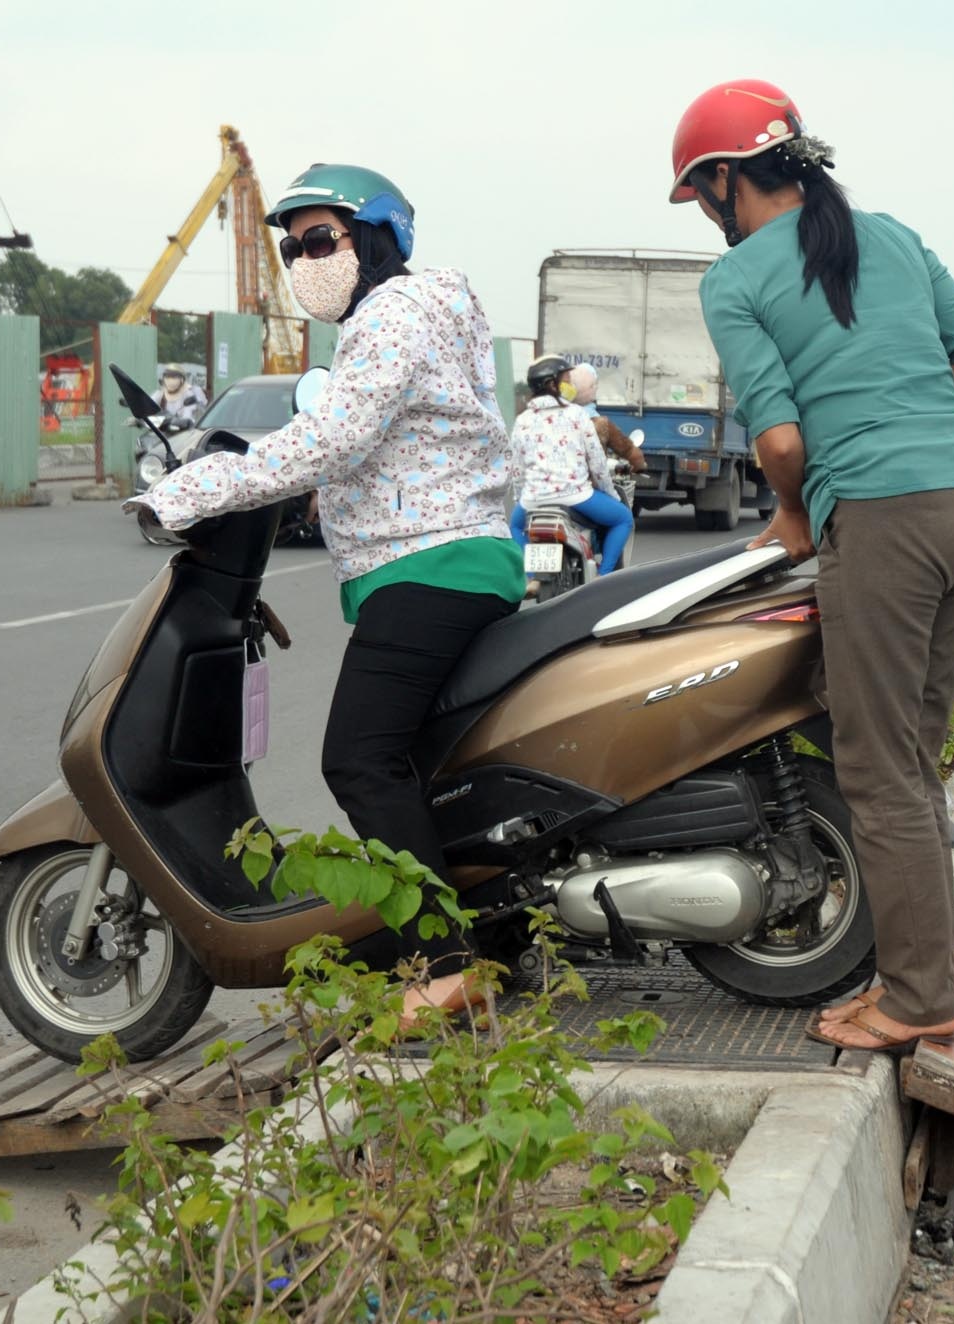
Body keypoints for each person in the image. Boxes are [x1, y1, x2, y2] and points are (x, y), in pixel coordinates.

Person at [124, 163, 521, 1026]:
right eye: (291, 245)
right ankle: (486, 936)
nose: (303, 260)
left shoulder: (391, 316)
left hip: (431, 566)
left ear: (376, 238)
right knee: (418, 764)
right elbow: (376, 438)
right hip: (455, 559)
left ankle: (446, 967)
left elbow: (329, 437)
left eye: (320, 240)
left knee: (356, 760)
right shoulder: (429, 314)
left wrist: (191, 490)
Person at [670, 78, 954, 1053]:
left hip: (885, 518)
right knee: (910, 756)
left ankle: (915, 1000)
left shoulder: (735, 281)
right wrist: (913, 419)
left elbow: (779, 443)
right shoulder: (893, 235)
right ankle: (916, 974)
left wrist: (792, 512)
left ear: (728, 181)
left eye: (701, 196)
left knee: (875, 767)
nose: (705, 216)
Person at [510, 355, 633, 574]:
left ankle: (529, 577)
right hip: (577, 497)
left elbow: (517, 469)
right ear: (552, 384)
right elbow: (597, 462)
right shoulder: (576, 413)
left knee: (515, 527)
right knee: (622, 518)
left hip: (534, 500)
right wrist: (610, 493)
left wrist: (523, 497)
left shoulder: (522, 420)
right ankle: (604, 577)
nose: (570, 384)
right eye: (566, 379)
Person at [565, 362, 647, 475]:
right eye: (594, 385)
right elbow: (629, 451)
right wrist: (639, 465)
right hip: (589, 486)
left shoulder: (552, 418)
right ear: (590, 389)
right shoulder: (600, 423)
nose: (596, 388)